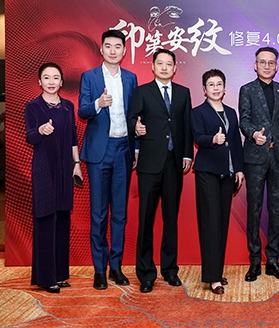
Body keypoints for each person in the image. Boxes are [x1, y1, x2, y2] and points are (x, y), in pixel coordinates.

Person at [127, 48, 193, 293]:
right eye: (160, 63)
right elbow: (132, 118)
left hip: (174, 163)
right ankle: (146, 273)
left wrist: (187, 154)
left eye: (169, 64)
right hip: (149, 164)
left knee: (170, 218)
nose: (164, 67)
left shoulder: (184, 93)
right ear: (153, 66)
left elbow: (186, 126)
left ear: (175, 68)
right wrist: (136, 128)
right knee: (146, 219)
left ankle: (170, 270)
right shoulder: (142, 92)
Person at [78, 29, 138, 290]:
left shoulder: (131, 78)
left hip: (123, 149)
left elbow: (135, 116)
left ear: (124, 51)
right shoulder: (89, 77)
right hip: (98, 152)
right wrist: (98, 103)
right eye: (108, 46)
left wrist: (136, 149)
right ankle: (99, 269)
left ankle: (116, 267)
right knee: (99, 213)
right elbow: (82, 111)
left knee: (120, 214)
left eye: (118, 47)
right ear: (101, 49)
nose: (113, 51)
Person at [239, 46, 279, 282]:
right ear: (255, 65)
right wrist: (253, 134)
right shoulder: (247, 90)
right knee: (254, 208)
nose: (267, 66)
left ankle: (272, 260)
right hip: (255, 157)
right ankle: (254, 261)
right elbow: (244, 120)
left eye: (271, 62)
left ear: (277, 66)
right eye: (262, 62)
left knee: (276, 209)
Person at [25, 62, 82, 293]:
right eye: (46, 77)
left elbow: (73, 138)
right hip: (44, 169)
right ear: (39, 82)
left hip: (65, 168)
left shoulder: (68, 106)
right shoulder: (33, 106)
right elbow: (30, 136)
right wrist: (40, 130)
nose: (51, 82)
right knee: (46, 220)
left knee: (62, 221)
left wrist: (77, 164)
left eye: (55, 77)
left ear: (61, 81)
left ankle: (59, 275)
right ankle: (46, 277)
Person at [191, 69, 245, 295]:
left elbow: (236, 143)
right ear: (204, 89)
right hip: (207, 173)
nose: (215, 88)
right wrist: (212, 139)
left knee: (221, 223)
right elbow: (197, 137)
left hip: (227, 174)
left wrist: (239, 169)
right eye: (211, 84)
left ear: (224, 88)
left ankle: (216, 270)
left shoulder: (231, 112)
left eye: (219, 84)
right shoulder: (198, 112)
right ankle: (212, 277)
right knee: (210, 223)